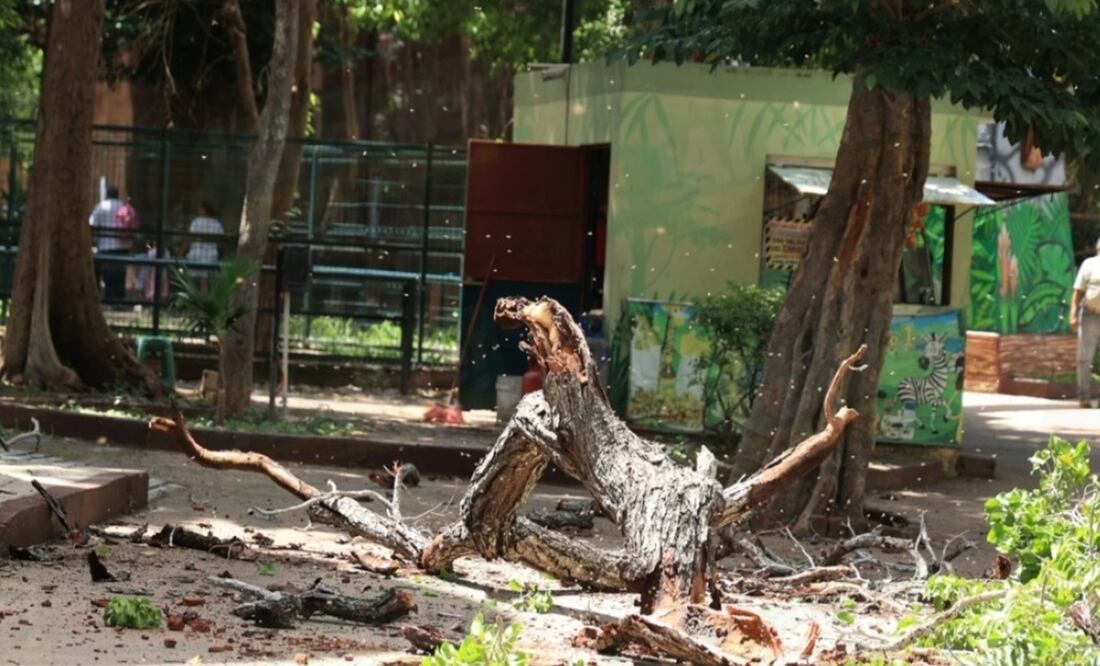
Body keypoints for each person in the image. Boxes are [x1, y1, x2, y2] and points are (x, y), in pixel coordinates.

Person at [88, 185, 135, 302]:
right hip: (123, 246)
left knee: (108, 274)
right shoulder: (123, 206)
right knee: (120, 273)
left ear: (107, 194)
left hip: (106, 246)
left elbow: (92, 223)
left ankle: (109, 299)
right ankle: (120, 298)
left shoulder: (100, 207)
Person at [1070, 237, 1100, 408]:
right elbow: (1078, 291)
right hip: (1089, 315)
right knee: (1084, 357)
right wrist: (1073, 314)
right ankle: (1084, 396)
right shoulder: (1089, 264)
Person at [180, 201, 224, 291]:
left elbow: (189, 239)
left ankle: (194, 301)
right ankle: (204, 302)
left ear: (203, 210)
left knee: (192, 282)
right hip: (210, 257)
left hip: (196, 255)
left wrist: (181, 253)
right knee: (205, 281)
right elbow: (221, 243)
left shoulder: (196, 222)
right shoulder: (217, 224)